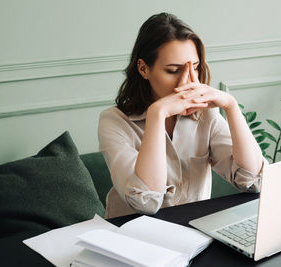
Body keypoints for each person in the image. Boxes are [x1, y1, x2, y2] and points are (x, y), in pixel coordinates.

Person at [98, 12, 265, 218]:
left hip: (193, 236)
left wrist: (231, 106)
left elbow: (253, 181)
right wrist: (157, 114)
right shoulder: (113, 121)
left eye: (194, 67)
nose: (188, 81)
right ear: (143, 68)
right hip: (131, 236)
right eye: (173, 70)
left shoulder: (206, 116)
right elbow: (146, 202)